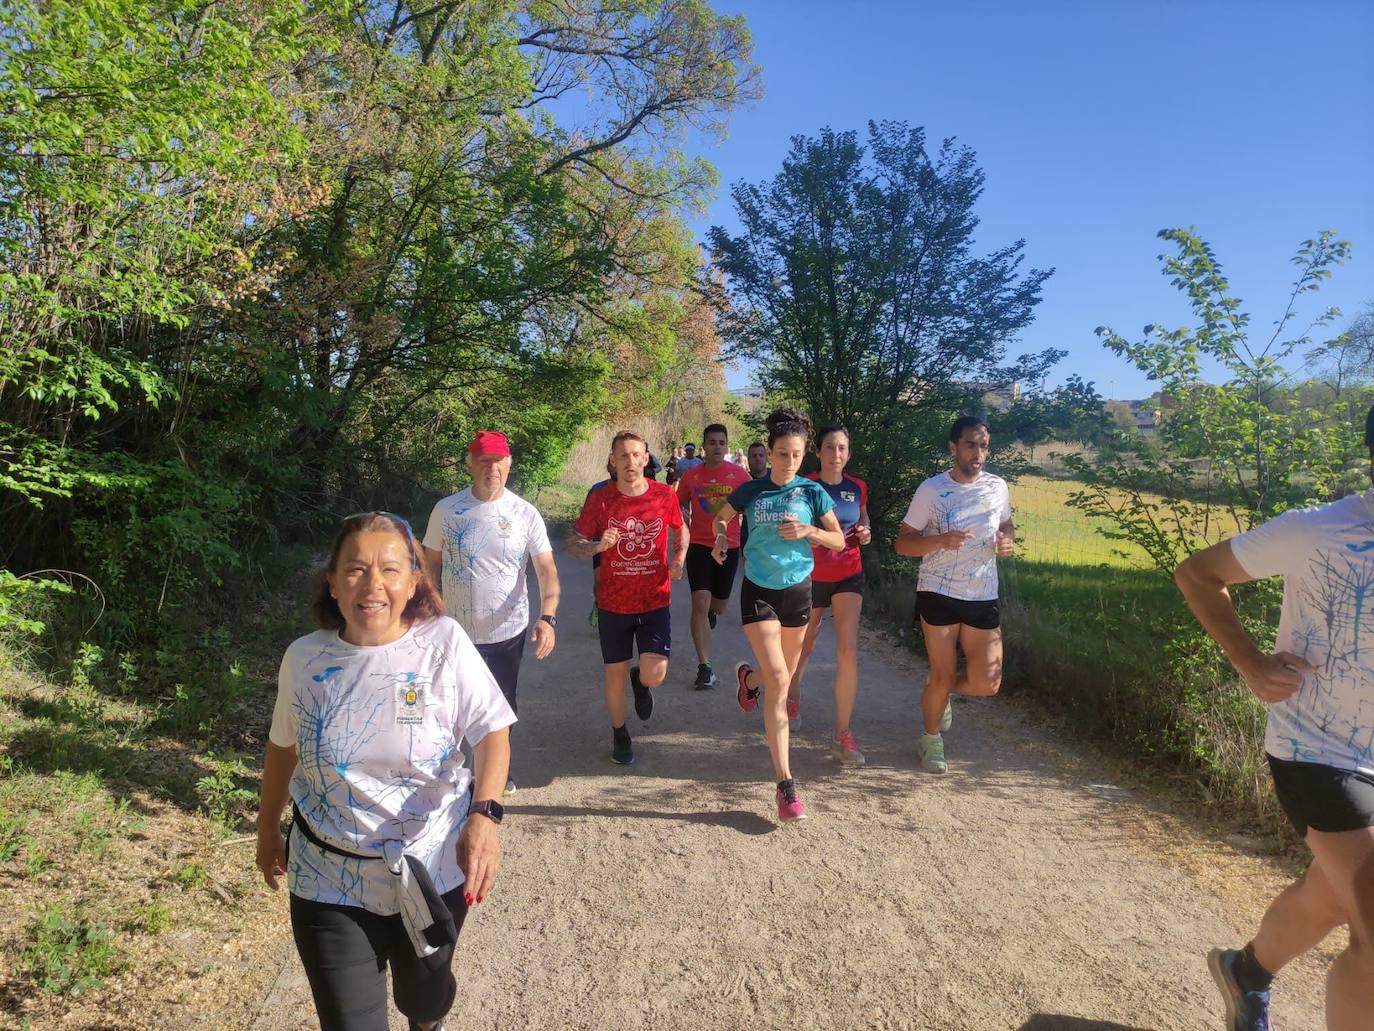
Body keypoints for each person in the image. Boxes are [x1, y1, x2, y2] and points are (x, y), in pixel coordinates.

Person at [256, 512, 513, 1031]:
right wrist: (265, 831)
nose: (372, 585)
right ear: (331, 581)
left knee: (425, 1001)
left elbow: (491, 733)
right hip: (329, 874)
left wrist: (484, 816)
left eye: (390, 570)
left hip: (430, 867)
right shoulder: (304, 659)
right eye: (355, 570)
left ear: (414, 579)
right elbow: (282, 750)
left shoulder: (443, 643)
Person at [1174, 405, 1374, 1031]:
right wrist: (1252, 664)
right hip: (1319, 752)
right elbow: (1197, 573)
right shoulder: (1321, 529)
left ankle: (1246, 974)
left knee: (1337, 899)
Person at [710, 408, 846, 822]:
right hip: (759, 590)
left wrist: (809, 532)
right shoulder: (752, 491)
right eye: (782, 454)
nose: (789, 462)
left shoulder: (812, 492)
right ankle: (786, 785)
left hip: (798, 592)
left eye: (797, 455)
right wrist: (720, 541)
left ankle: (747, 680)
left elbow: (838, 541)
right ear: (768, 453)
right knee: (782, 683)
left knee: (775, 680)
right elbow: (721, 518)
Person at [422, 431, 559, 795]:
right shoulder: (446, 510)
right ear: (470, 465)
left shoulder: (524, 513)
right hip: (454, 631)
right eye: (483, 461)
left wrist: (547, 618)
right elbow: (429, 565)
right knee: (448, 703)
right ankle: (446, 773)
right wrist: (429, 610)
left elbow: (546, 570)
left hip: (506, 632)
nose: (491, 468)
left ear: (509, 464)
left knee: (500, 706)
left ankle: (493, 773)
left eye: (498, 461)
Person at [895, 416, 1014, 775]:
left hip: (982, 592)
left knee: (988, 683)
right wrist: (940, 541)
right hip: (938, 590)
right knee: (942, 673)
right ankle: (930, 740)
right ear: (953, 448)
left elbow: (1006, 524)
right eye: (970, 445)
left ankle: (940, 693)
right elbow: (902, 543)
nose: (978, 453)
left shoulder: (998, 487)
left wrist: (1007, 540)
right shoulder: (931, 490)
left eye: (983, 446)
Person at [570, 431, 688, 765]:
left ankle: (642, 680)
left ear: (647, 457)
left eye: (637, 454)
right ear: (612, 460)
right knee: (614, 676)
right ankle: (620, 733)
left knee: (656, 673)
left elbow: (681, 528)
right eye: (623, 455)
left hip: (654, 599)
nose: (631, 461)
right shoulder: (601, 499)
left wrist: (679, 558)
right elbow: (573, 543)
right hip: (613, 603)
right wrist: (597, 546)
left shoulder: (664, 495)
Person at [788, 423, 871, 764]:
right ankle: (792, 696)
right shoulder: (805, 487)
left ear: (848, 454)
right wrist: (820, 536)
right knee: (805, 646)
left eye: (842, 448)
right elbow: (797, 530)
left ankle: (843, 733)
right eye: (829, 447)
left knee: (847, 651)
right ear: (818, 452)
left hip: (849, 573)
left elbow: (862, 521)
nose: (836, 454)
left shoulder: (858, 487)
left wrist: (865, 532)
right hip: (811, 575)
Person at [676, 422, 750, 688]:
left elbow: (751, 503)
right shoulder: (692, 476)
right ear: (704, 446)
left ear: (727, 447)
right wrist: (683, 513)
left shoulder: (739, 475)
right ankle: (705, 668)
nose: (717, 447)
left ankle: (710, 615)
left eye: (722, 443)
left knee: (717, 606)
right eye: (712, 442)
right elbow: (680, 499)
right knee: (700, 604)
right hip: (699, 545)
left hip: (727, 547)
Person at [584, 460, 616, 629]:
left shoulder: (634, 490)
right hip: (600, 541)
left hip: (624, 545)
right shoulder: (597, 490)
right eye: (613, 465)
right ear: (608, 467)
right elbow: (586, 518)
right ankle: (599, 605)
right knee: (600, 581)